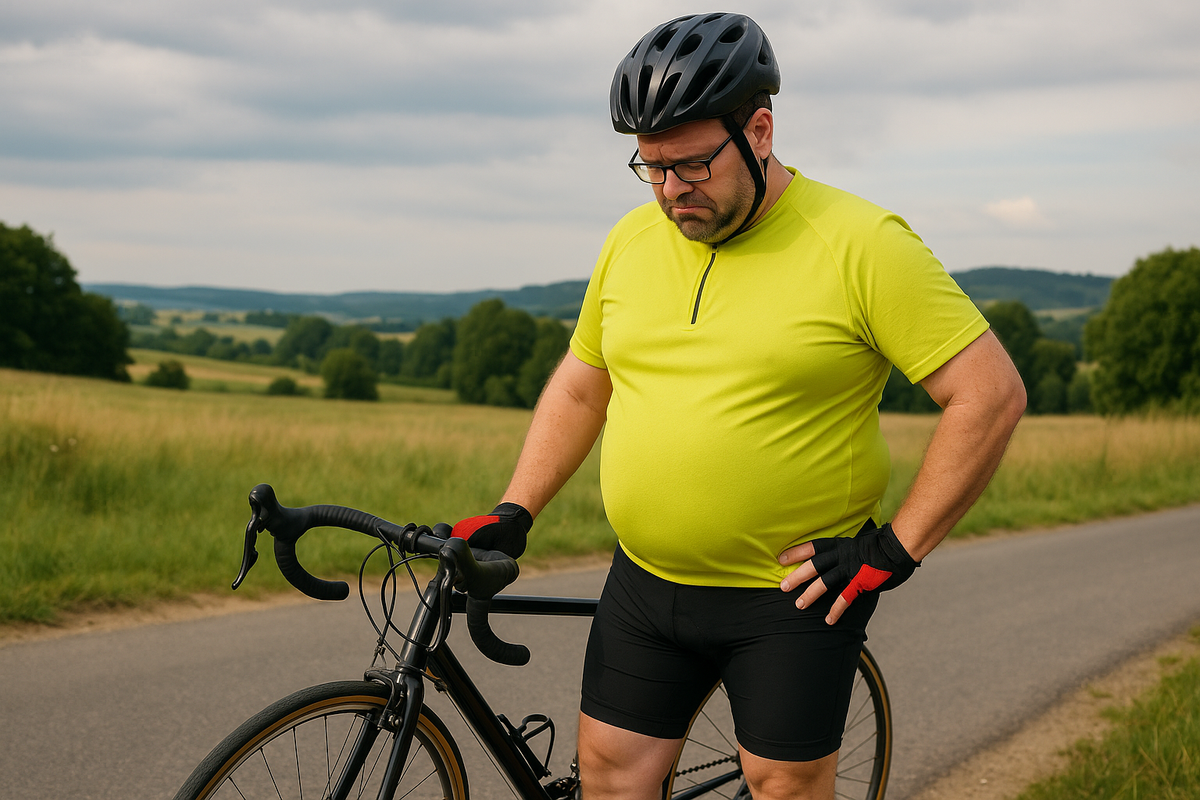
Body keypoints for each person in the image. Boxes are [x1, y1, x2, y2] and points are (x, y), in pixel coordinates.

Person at [452, 12, 1026, 800]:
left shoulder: (861, 242)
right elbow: (586, 384)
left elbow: (989, 393)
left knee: (784, 784)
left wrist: (895, 549)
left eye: (690, 165)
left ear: (759, 130)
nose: (668, 191)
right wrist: (516, 506)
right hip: (647, 582)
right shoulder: (629, 241)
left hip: (790, 594)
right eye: (649, 168)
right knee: (612, 777)